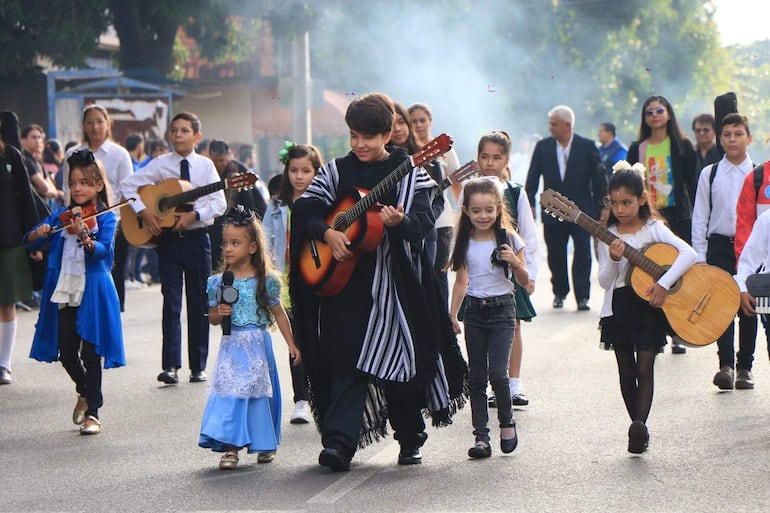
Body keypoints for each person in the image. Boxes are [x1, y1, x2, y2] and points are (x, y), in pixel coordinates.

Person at [290, 92, 467, 471]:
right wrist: (327, 233)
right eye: (353, 135)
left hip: (395, 287)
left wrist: (399, 223)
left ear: (389, 134)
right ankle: (339, 443)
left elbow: (421, 226)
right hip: (345, 286)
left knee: (398, 361)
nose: (359, 144)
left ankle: (409, 438)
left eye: (367, 137)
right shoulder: (337, 170)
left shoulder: (414, 171)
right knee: (345, 360)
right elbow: (305, 207)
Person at [23, 150, 125, 434]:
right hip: (66, 288)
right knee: (66, 351)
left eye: (84, 182)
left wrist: (84, 236)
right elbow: (28, 241)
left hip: (93, 288)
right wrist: (40, 231)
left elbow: (103, 253)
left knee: (92, 352)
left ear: (98, 186)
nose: (78, 188)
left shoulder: (106, 219)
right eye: (73, 182)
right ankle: (84, 390)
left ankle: (93, 412)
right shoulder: (60, 216)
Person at [120, 112, 227, 384]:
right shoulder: (160, 164)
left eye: (184, 131)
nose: (178, 135)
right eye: (174, 130)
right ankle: (170, 366)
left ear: (197, 136)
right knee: (171, 302)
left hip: (196, 239)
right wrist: (144, 211)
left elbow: (219, 203)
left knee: (199, 302)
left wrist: (196, 215)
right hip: (167, 241)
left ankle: (198, 366)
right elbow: (128, 184)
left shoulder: (205, 167)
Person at [597, 163, 696, 453]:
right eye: (614, 203)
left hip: (650, 305)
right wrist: (615, 260)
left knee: (645, 366)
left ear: (641, 199)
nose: (620, 209)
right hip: (620, 306)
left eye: (626, 202)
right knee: (626, 369)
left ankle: (639, 425)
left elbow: (688, 253)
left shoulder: (654, 228)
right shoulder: (608, 234)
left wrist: (664, 283)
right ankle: (636, 424)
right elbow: (604, 281)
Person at [199, 205, 301, 469]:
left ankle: (264, 443)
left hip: (258, 344)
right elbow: (211, 317)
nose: (228, 249)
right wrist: (219, 312)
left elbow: (278, 313)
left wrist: (291, 345)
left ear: (253, 247)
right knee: (231, 394)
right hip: (232, 347)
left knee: (259, 395)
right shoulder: (219, 282)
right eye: (225, 243)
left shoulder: (266, 281)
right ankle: (230, 448)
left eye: (236, 242)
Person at [449, 178, 527, 458]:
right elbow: (461, 281)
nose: (483, 216)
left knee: (497, 373)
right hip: (475, 310)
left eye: (489, 210)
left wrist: (515, 262)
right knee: (477, 376)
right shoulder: (464, 243)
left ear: (498, 209)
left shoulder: (509, 239)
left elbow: (525, 280)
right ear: (467, 212)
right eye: (477, 211)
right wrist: (453, 314)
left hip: (503, 309)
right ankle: (481, 437)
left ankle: (507, 422)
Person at [691, 113, 757, 390]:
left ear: (748, 138)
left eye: (738, 134)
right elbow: (700, 217)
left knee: (749, 307)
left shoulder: (758, 173)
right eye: (727, 134)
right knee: (722, 307)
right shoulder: (711, 173)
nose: (732, 139)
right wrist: (701, 257)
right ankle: (725, 366)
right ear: (720, 138)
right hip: (718, 246)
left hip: (751, 248)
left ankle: (745, 367)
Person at [627, 96, 697, 355]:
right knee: (648, 273)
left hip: (678, 217)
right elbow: (629, 184)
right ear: (645, 118)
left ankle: (677, 331)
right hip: (648, 219)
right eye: (649, 112)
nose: (655, 115)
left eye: (659, 110)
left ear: (669, 114)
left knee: (675, 273)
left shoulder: (682, 147)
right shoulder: (638, 148)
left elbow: (694, 185)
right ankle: (654, 332)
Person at [474, 132, 538, 407]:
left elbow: (530, 236)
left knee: (513, 326)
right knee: (483, 331)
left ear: (506, 159)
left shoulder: (515, 191)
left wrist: (530, 274)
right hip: (480, 273)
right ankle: (493, 386)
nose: (490, 162)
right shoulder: (471, 189)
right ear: (477, 158)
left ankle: (514, 385)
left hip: (511, 269)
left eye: (496, 157)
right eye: (485, 156)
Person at [262, 143, 323, 425]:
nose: (299, 176)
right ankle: (301, 399)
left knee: (319, 340)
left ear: (316, 171)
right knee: (294, 341)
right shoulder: (276, 205)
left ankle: (322, 395)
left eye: (306, 171)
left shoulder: (323, 202)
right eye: (294, 170)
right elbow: (264, 242)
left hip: (317, 278)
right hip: (286, 282)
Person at [525, 104, 607, 311]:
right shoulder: (543, 147)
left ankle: (582, 297)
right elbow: (533, 177)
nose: (550, 127)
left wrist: (603, 208)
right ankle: (560, 292)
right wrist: (530, 204)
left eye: (554, 124)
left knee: (583, 254)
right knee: (555, 254)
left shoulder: (587, 146)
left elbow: (599, 180)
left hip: (582, 213)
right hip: (552, 211)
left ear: (567, 126)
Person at [62, 105, 133, 312]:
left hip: (112, 220)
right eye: (90, 122)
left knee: (112, 271)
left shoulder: (120, 154)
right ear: (84, 126)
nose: (95, 127)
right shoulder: (72, 153)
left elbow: (127, 189)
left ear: (108, 123)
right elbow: (67, 189)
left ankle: (112, 313)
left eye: (100, 121)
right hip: (77, 220)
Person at [0, 111, 40, 385]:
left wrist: (34, 240)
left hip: (8, 239)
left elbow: (27, 198)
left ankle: (3, 364)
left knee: (6, 303)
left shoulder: (11, 155)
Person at [409, 102, 461, 304]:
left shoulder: (445, 151)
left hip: (442, 221)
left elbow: (457, 185)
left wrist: (462, 213)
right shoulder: (407, 151)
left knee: (439, 274)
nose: (419, 125)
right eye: (414, 121)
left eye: (422, 120)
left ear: (430, 122)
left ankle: (444, 326)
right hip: (414, 222)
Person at [393, 102, 444, 264]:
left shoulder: (428, 158)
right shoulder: (379, 161)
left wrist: (425, 220)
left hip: (425, 236)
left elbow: (438, 199)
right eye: (392, 124)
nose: (397, 128)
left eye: (401, 122)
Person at [207, 139, 267, 271]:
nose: (219, 165)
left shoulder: (240, 170)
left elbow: (255, 199)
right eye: (215, 161)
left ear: (229, 155)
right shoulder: (206, 169)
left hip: (236, 221)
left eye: (222, 161)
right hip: (211, 224)